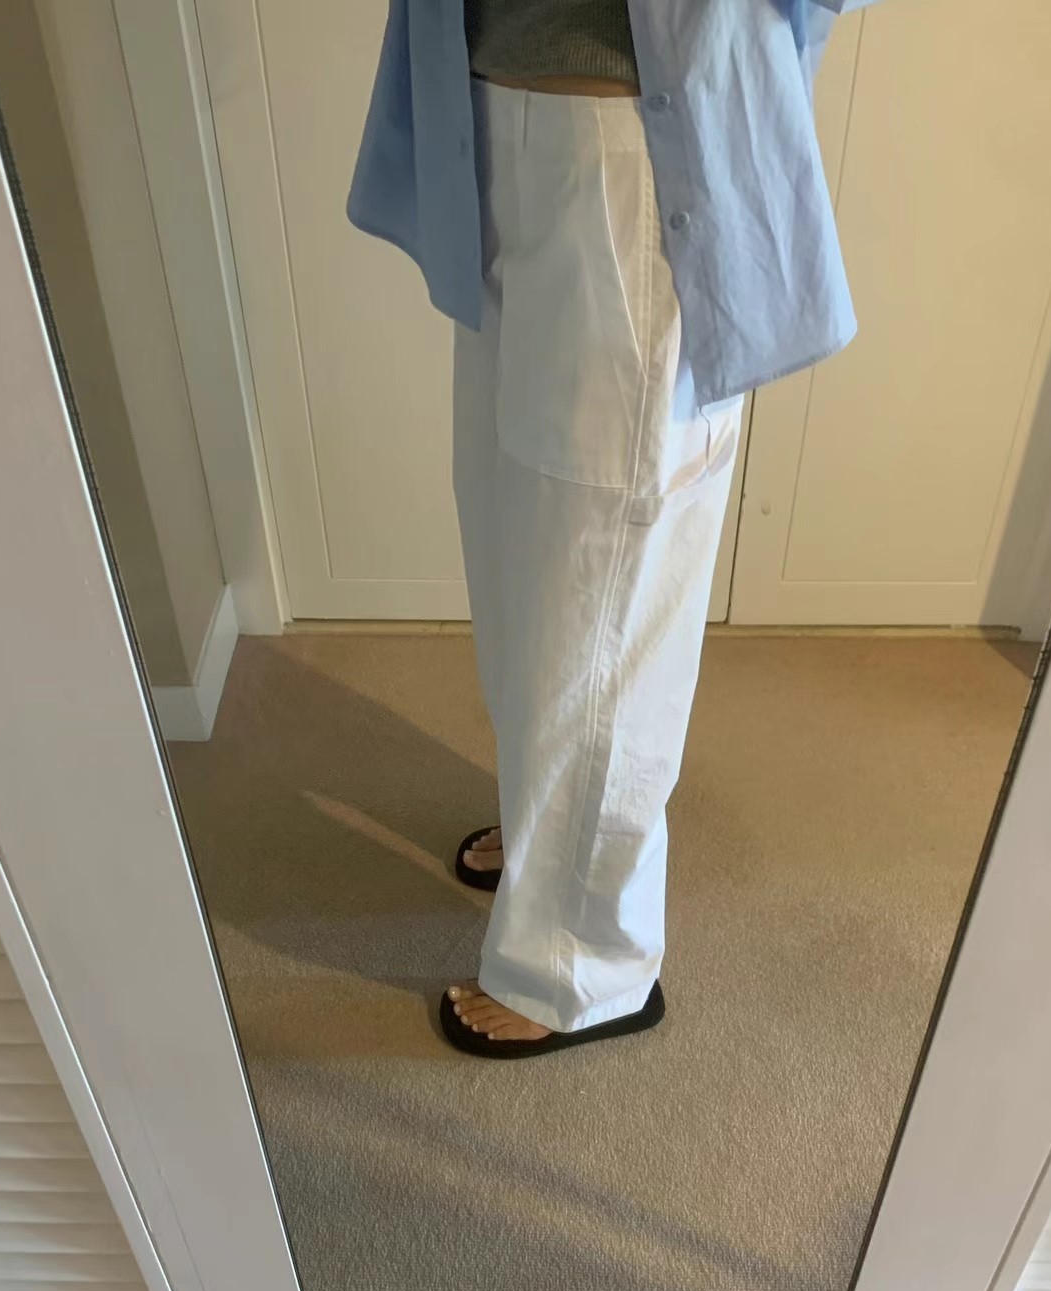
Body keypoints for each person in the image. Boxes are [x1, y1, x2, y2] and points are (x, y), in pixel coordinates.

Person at [349, 0, 881, 1058]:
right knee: (519, 546)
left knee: (602, 580)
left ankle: (584, 966)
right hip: (486, 122)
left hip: (637, 150)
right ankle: (548, 836)